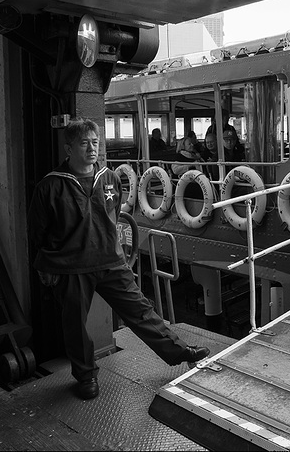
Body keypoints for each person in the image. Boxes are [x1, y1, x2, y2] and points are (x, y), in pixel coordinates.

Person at [28, 119, 209, 400]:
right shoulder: (51, 186)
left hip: (111, 262)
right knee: (75, 325)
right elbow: (38, 231)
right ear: (69, 148)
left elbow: (112, 215)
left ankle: (180, 352)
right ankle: (86, 375)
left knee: (141, 310)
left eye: (95, 142)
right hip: (72, 267)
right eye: (84, 143)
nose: (92, 148)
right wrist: (46, 267)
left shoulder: (109, 178)